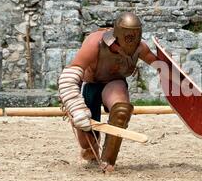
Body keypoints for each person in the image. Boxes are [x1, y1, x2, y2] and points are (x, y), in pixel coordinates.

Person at [58, 12, 159, 172]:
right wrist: (76, 108)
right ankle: (90, 152)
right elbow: (69, 76)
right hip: (90, 85)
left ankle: (108, 160)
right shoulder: (95, 42)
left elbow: (163, 68)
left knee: (121, 110)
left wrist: (180, 79)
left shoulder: (140, 48)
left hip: (114, 83)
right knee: (87, 140)